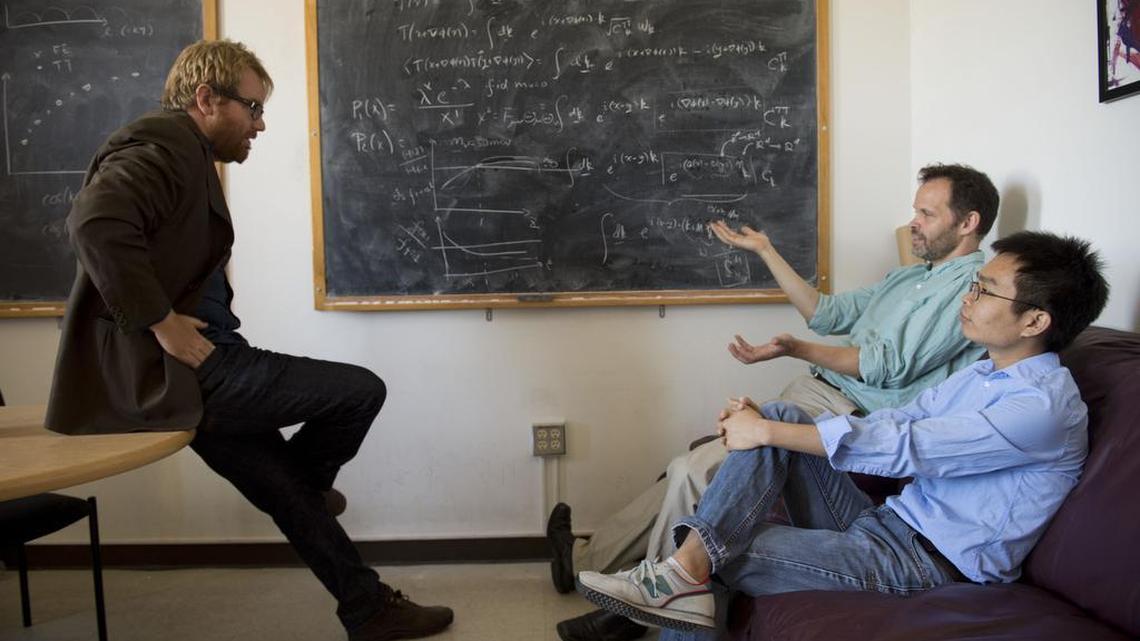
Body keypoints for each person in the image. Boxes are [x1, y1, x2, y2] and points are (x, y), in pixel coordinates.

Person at [44, 40, 452, 641]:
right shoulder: (159, 146)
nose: (259, 125)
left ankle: (367, 610)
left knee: (288, 493)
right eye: (253, 108)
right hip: (190, 372)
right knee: (360, 391)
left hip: (193, 369)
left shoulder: (181, 152)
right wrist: (161, 320)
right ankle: (313, 490)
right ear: (206, 99)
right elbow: (95, 223)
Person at [576, 231, 1109, 641]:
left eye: (985, 289)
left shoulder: (1040, 407)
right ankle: (680, 575)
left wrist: (764, 430)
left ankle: (679, 575)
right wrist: (772, 425)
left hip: (927, 565)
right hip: (886, 525)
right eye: (973, 285)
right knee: (783, 412)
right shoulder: (985, 371)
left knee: (715, 550)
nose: (967, 299)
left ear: (1035, 320)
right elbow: (894, 423)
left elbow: (910, 450)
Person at [550, 163, 999, 641]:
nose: (913, 222)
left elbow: (887, 366)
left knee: (694, 473)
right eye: (915, 211)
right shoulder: (908, 278)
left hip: (847, 413)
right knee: (690, 463)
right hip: (814, 391)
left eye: (926, 214)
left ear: (967, 223)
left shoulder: (969, 290)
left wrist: (794, 348)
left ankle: (635, 610)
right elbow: (825, 314)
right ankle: (590, 564)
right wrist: (766, 250)